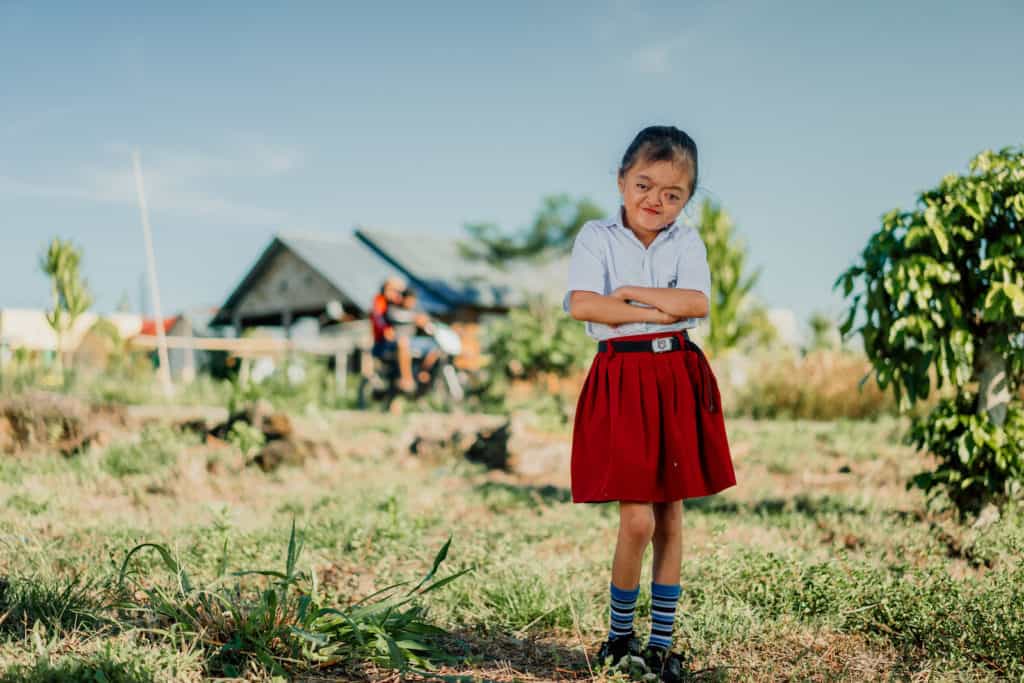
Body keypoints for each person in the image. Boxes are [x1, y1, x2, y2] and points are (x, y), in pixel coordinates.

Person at [563, 126, 736, 683]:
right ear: (620, 179)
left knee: (670, 516)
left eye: (672, 194)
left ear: (686, 198)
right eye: (643, 185)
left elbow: (696, 303)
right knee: (635, 518)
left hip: (676, 375)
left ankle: (661, 645)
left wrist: (631, 295)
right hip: (623, 377)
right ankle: (618, 639)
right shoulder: (596, 236)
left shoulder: (686, 242)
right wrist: (659, 308)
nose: (655, 202)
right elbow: (584, 305)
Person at [369, 275, 417, 393]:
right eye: (393, 290)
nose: (396, 294)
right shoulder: (380, 300)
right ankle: (407, 379)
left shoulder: (398, 302)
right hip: (382, 342)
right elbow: (377, 317)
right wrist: (385, 329)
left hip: (395, 340)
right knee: (403, 343)